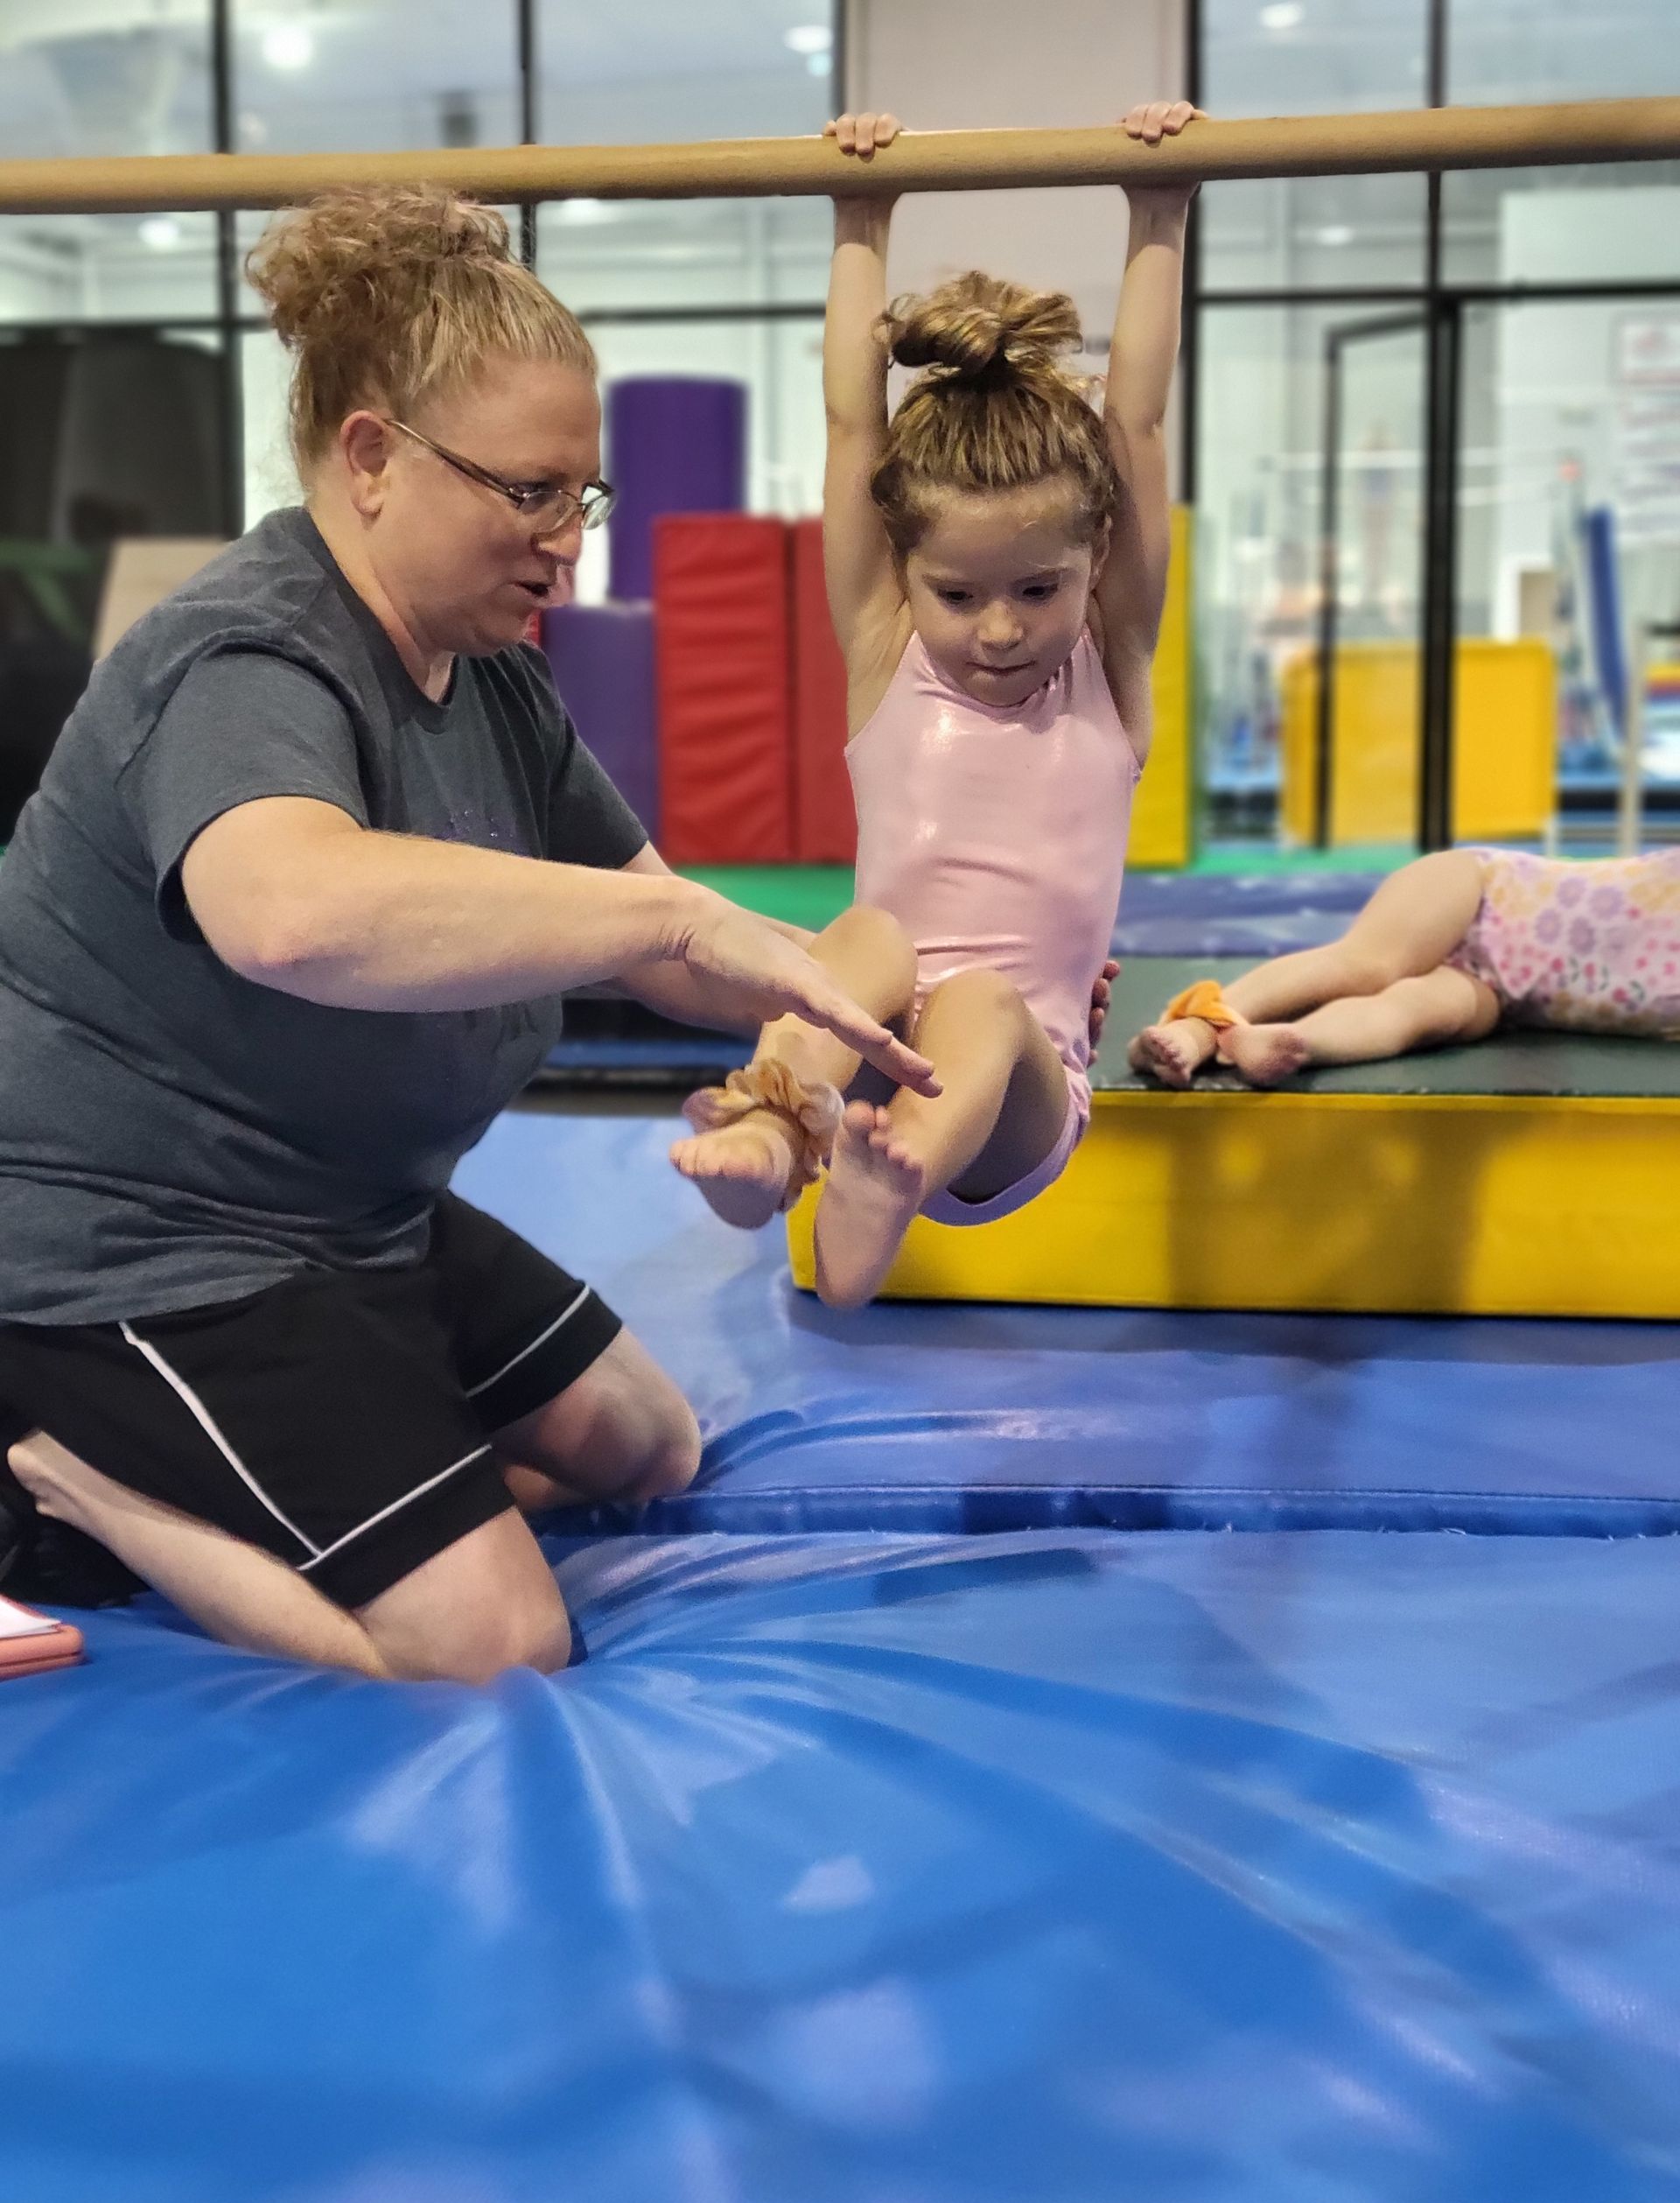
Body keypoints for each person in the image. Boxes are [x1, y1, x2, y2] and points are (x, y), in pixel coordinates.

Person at [0, 186, 934, 1684]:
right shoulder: (246, 656)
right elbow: (292, 909)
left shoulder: (491, 676)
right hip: (137, 1252)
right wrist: (679, 909)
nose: (568, 543)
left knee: (649, 1444)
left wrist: (840, 1014)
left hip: (346, 1215)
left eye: (585, 497)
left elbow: (668, 947)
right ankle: (78, 1489)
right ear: (371, 459)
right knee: (493, 1644)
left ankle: (334, 1500)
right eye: (530, 494)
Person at [671, 99, 1198, 1308]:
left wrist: (1162, 203)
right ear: (902, 576)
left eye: (1039, 589)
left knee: (980, 1003)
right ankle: (775, 1135)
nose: (1001, 627)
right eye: (957, 593)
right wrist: (862, 208)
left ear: (1098, 560)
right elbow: (855, 417)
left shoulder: (1107, 679)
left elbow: (1141, 419)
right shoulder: (886, 656)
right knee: (862, 944)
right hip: (866, 1050)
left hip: (1014, 1102)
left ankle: (891, 1178)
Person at [1126, 845, 1680, 1090]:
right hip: (1485, 893)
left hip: (1503, 995)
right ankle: (1199, 1025)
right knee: (1367, 966)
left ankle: (1287, 1042)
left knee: (1409, 1017)